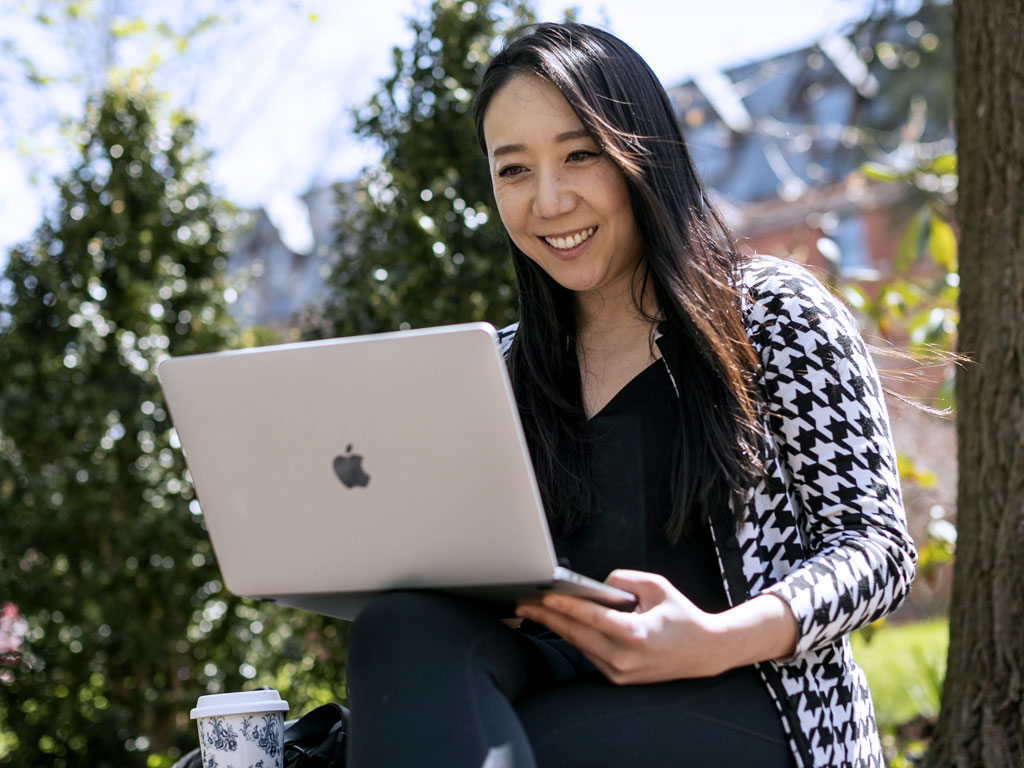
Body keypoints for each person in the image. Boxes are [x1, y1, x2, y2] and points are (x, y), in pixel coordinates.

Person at [343, 22, 917, 768]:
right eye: (513, 170)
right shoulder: (502, 366)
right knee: (396, 628)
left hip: (751, 693)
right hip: (557, 676)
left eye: (579, 155)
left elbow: (876, 547)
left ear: (639, 152)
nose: (548, 201)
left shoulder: (774, 315)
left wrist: (718, 637)